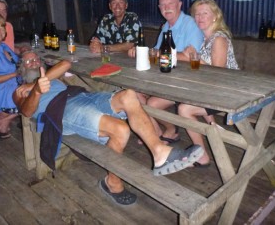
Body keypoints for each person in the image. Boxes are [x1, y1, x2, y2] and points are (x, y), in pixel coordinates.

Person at [12, 50, 204, 206]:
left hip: (81, 97)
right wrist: (35, 91)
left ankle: (159, 152)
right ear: (21, 70)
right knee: (120, 129)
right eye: (29, 62)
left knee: (129, 95)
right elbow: (27, 112)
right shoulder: (19, 91)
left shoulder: (48, 78)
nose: (34, 62)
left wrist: (36, 82)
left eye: (36, 59)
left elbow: (66, 64)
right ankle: (112, 182)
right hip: (61, 111)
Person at [128, 0, 205, 143]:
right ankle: (156, 131)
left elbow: (192, 58)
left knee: (152, 103)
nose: (166, 7)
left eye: (170, 3)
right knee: (133, 92)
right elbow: (156, 52)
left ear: (179, 5)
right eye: (162, 4)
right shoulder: (166, 27)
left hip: (187, 82)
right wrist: (140, 51)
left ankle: (168, 130)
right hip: (165, 78)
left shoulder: (190, 24)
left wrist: (161, 54)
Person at [177, 0, 239, 166]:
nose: (200, 17)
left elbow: (217, 73)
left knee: (184, 109)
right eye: (197, 14)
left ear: (215, 17)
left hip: (228, 93)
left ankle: (202, 157)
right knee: (183, 93)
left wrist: (194, 57)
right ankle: (213, 126)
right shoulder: (208, 39)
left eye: (205, 13)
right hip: (216, 89)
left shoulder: (218, 39)